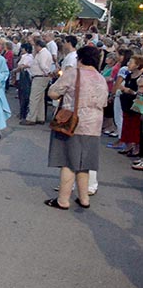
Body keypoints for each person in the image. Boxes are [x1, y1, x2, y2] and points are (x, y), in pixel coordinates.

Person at [44, 46, 108, 210]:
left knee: (68, 162)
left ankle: (63, 200)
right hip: (94, 126)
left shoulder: (74, 73)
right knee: (84, 164)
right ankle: (84, 198)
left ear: (80, 58)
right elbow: (104, 102)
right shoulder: (101, 78)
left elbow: (53, 93)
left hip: (73, 123)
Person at [12, 42, 33, 121]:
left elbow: (21, 66)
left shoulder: (26, 57)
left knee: (23, 96)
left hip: (24, 78)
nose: (21, 50)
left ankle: (23, 113)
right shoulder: (31, 57)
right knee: (24, 96)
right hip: (24, 78)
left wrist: (14, 71)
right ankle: (23, 112)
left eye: (23, 48)